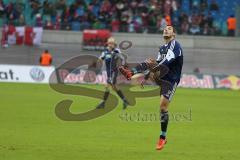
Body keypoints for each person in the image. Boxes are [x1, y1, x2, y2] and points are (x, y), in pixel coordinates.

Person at [119, 25, 183, 150]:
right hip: (162, 76)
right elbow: (159, 64)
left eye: (169, 29)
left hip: (171, 80)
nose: (166, 29)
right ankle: (130, 73)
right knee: (149, 62)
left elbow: (165, 63)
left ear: (174, 34)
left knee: (163, 106)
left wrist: (151, 69)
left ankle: (162, 137)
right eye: (165, 28)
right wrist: (148, 75)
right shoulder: (163, 48)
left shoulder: (175, 45)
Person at [96, 37, 129, 109]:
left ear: (114, 44)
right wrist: (99, 60)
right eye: (110, 43)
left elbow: (122, 58)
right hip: (108, 72)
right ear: (107, 43)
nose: (111, 45)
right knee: (114, 87)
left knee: (107, 86)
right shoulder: (105, 52)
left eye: (112, 43)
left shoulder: (116, 51)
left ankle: (103, 103)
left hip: (114, 72)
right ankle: (125, 100)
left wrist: (123, 65)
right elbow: (100, 59)